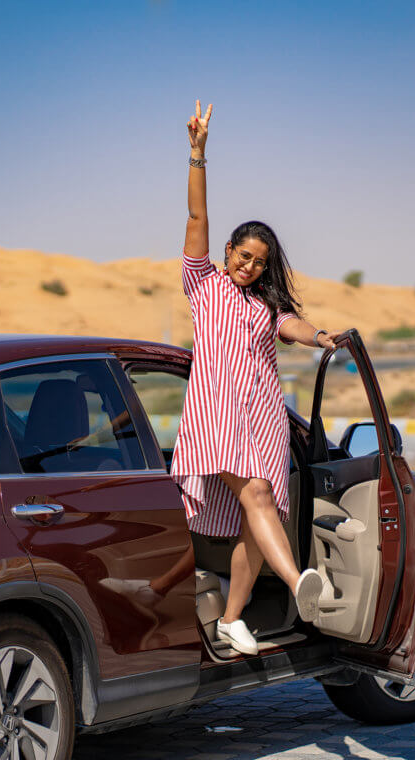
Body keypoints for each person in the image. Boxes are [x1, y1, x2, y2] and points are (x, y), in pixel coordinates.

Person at [171, 101, 341, 656]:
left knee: (255, 517)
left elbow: (291, 325)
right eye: (243, 256)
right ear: (228, 252)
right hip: (215, 419)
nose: (249, 266)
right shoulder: (205, 285)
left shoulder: (263, 305)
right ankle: (299, 586)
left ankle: (232, 618)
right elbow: (197, 220)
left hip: (263, 421)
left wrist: (321, 338)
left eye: (259, 262)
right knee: (260, 495)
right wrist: (198, 154)